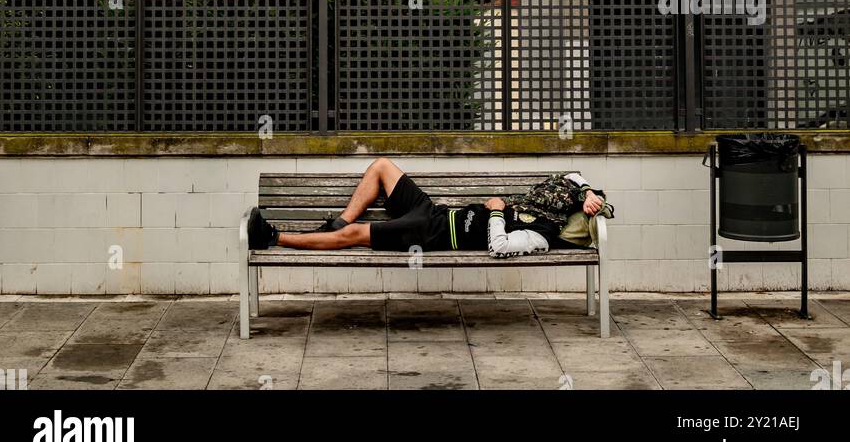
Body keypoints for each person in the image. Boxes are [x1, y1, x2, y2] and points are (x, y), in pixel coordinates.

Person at [246, 157, 612, 257]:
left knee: (356, 236)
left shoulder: (543, 236)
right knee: (382, 166)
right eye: (586, 206)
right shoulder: (550, 203)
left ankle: (273, 237)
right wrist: (588, 190)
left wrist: (498, 211)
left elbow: (500, 248)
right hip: (433, 211)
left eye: (586, 213)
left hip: (431, 234)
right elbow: (570, 175)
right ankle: (334, 223)